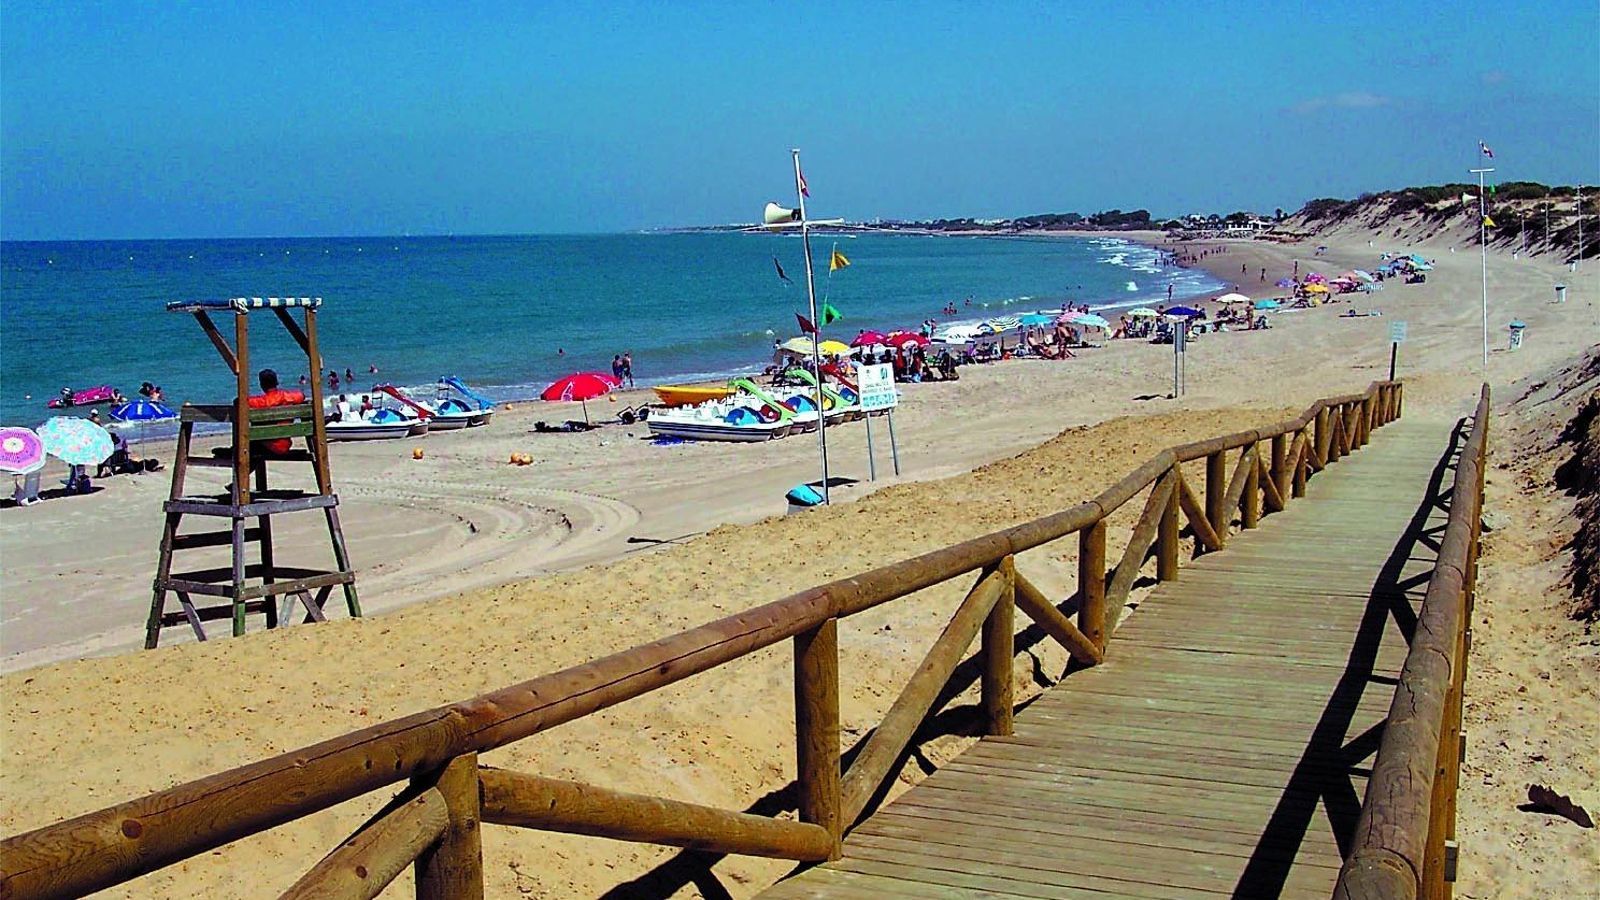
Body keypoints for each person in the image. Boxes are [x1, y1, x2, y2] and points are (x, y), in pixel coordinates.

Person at [248, 368, 306, 456]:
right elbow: (302, 396)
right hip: (284, 445)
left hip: (267, 445)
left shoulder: (260, 401)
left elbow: (240, 402)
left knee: (247, 445)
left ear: (261, 384)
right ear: (276, 382)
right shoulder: (287, 397)